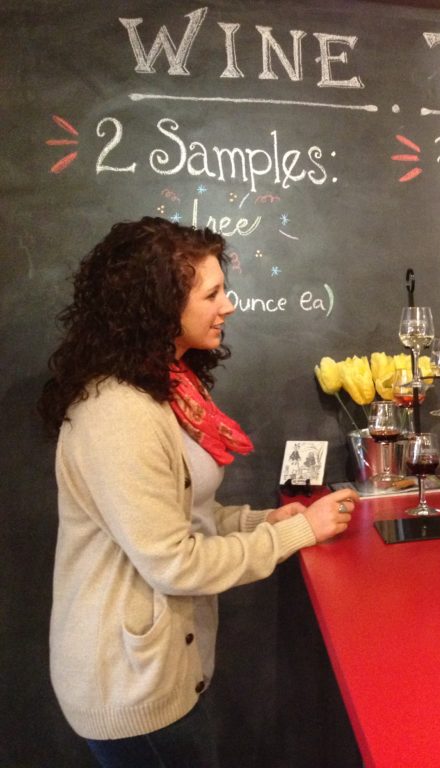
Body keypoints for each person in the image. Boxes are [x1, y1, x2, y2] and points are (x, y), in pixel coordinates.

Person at [38, 217, 358, 767]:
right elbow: (175, 562)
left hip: (159, 673)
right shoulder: (119, 414)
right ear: (159, 305)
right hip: (131, 685)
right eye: (211, 294)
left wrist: (263, 522)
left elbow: (185, 514)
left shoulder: (166, 388)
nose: (228, 306)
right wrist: (298, 532)